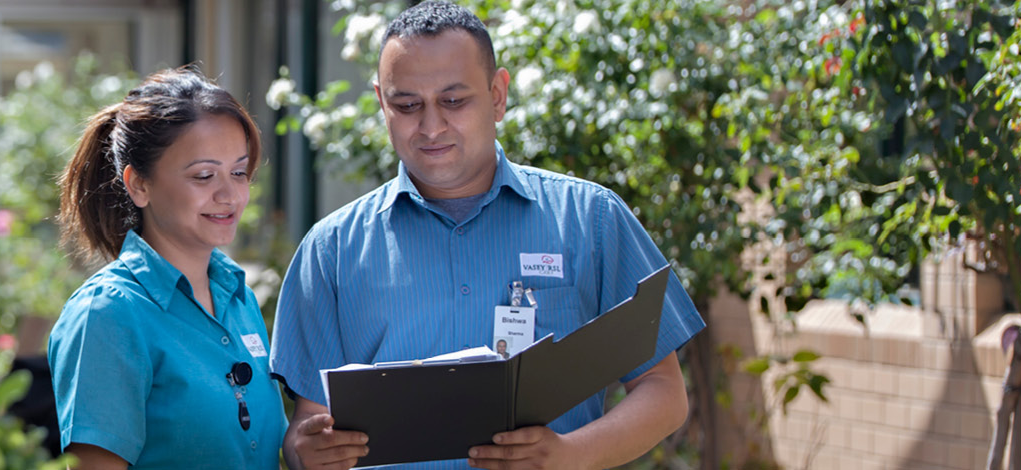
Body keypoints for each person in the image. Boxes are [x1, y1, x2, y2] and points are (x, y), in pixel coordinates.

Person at [269, 3, 706, 469]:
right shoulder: (331, 250)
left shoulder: (590, 218)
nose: (431, 126)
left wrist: (569, 456)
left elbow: (663, 392)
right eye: (407, 105)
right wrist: (307, 451)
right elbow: (307, 427)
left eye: (454, 101)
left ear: (498, 95)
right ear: (381, 103)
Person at [47, 68, 286, 470]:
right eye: (204, 176)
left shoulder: (238, 296)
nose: (229, 195)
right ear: (139, 185)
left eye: (239, 172)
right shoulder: (107, 314)